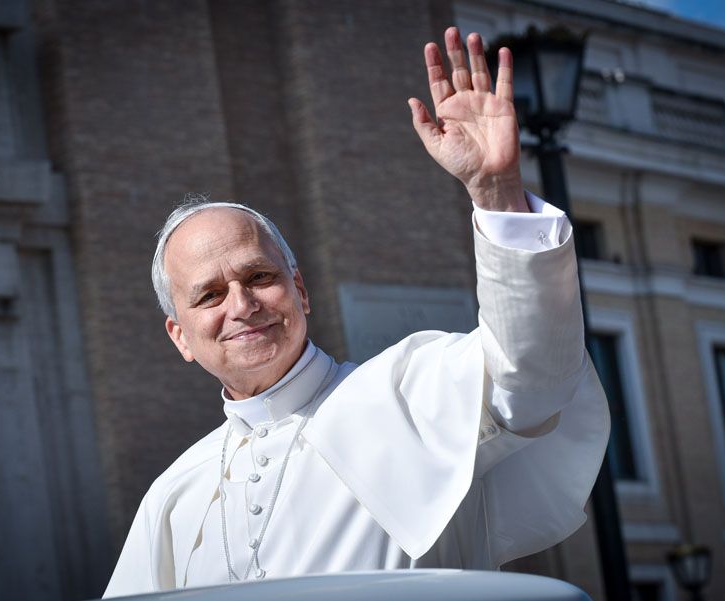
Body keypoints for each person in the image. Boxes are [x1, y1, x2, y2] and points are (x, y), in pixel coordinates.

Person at [103, 26, 609, 597]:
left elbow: (532, 375)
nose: (242, 305)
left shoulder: (412, 391)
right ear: (180, 336)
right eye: (210, 295)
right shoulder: (173, 496)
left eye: (260, 277)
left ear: (300, 291)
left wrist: (497, 194)